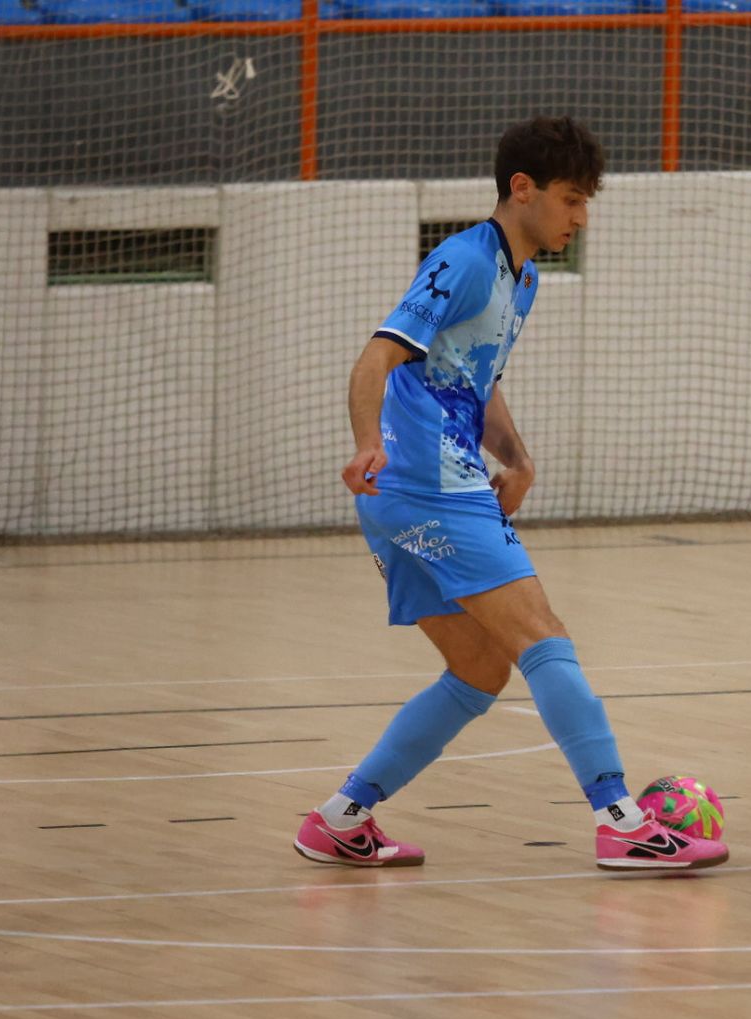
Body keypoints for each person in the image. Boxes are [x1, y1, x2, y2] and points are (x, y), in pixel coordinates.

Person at [293, 116, 727, 873]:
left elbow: (475, 380)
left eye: (587, 201)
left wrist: (517, 459)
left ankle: (340, 818)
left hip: (416, 493)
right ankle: (622, 820)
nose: (581, 217)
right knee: (541, 633)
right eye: (570, 199)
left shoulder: (521, 277)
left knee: (480, 670)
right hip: (428, 485)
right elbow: (376, 357)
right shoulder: (463, 260)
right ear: (521, 189)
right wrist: (366, 442)